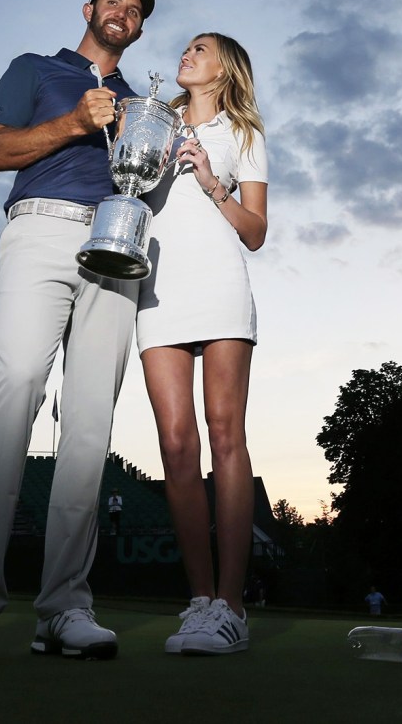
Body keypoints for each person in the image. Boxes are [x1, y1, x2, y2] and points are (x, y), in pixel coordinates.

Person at [0, 0, 155, 667]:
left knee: (89, 422)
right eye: (113, 2)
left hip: (119, 242)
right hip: (42, 230)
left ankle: (65, 607)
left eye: (135, 11)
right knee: (18, 384)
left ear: (139, 31)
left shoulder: (145, 104)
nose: (123, 13)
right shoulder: (36, 68)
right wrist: (74, 122)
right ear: (89, 12)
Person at [136, 33, 268, 655]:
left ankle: (233, 607)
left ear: (225, 68)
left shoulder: (245, 135)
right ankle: (198, 603)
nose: (186, 54)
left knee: (225, 432)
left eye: (200, 48)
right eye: (185, 48)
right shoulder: (150, 121)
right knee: (175, 442)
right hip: (157, 290)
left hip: (219, 288)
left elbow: (257, 232)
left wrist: (213, 182)